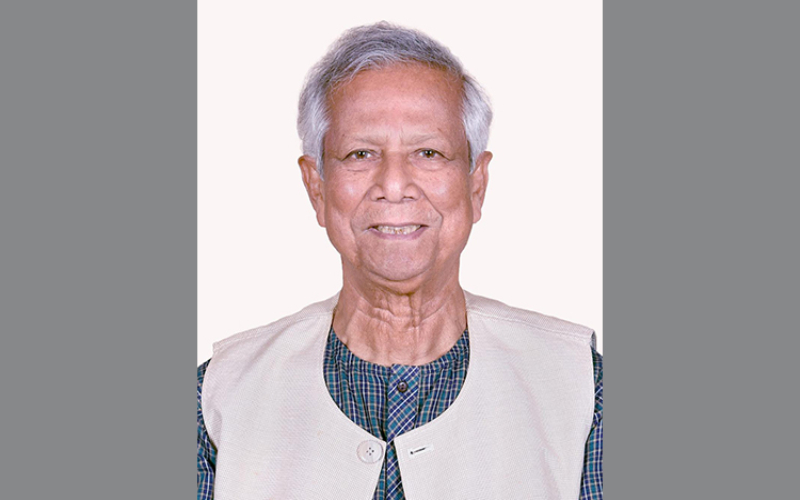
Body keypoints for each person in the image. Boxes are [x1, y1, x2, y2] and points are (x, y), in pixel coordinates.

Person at [198, 21, 602, 500]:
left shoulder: (582, 390)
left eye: (429, 152)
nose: (393, 185)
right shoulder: (218, 397)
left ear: (476, 185)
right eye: (360, 154)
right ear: (317, 188)